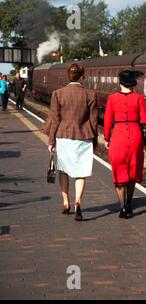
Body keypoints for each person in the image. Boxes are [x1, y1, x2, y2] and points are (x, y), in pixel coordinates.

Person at [46, 63, 98, 222]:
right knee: (80, 172)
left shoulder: (58, 93)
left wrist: (51, 140)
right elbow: (94, 121)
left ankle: (66, 202)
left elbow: (54, 120)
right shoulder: (90, 94)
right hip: (83, 137)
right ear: (82, 77)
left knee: (63, 170)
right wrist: (94, 140)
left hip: (63, 136)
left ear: (68, 76)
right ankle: (78, 203)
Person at [103, 70, 146, 219]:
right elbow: (144, 120)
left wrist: (106, 138)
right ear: (133, 85)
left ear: (120, 83)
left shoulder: (112, 98)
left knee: (119, 170)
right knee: (133, 169)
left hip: (118, 136)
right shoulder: (139, 98)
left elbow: (107, 121)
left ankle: (122, 207)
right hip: (135, 135)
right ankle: (129, 203)